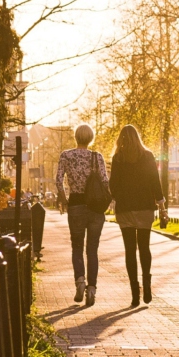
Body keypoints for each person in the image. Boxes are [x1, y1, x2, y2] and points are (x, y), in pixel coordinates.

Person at [108, 125, 166, 307]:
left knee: (130, 250)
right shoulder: (147, 156)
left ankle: (135, 292)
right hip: (144, 208)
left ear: (121, 139)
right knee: (144, 247)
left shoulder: (118, 158)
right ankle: (147, 285)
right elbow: (155, 182)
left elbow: (113, 185)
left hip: (125, 209)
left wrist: (117, 198)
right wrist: (161, 204)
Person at [56, 123, 108, 307]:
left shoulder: (66, 155)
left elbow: (58, 180)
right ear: (90, 138)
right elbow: (104, 182)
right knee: (92, 249)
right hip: (95, 208)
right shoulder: (97, 157)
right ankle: (92, 289)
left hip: (76, 205)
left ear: (76, 137)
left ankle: (80, 281)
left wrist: (63, 200)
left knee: (77, 246)